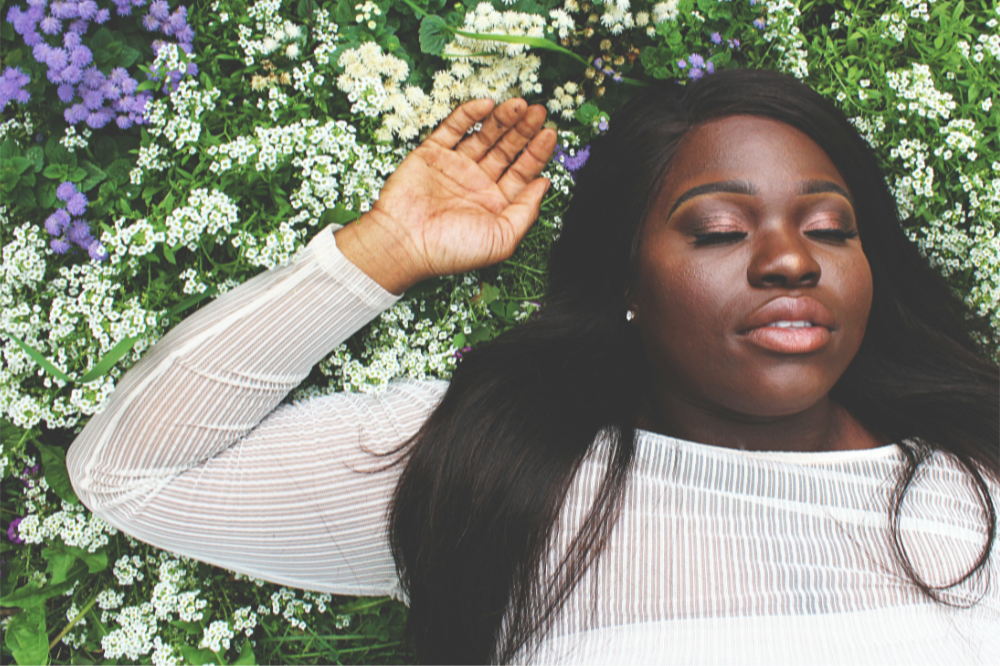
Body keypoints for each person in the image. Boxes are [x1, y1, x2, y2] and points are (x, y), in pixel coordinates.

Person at [67, 69, 999, 665]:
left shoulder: (978, 487)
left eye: (831, 227)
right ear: (623, 274)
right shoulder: (506, 472)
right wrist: (377, 252)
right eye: (719, 228)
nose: (793, 258)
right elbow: (134, 471)